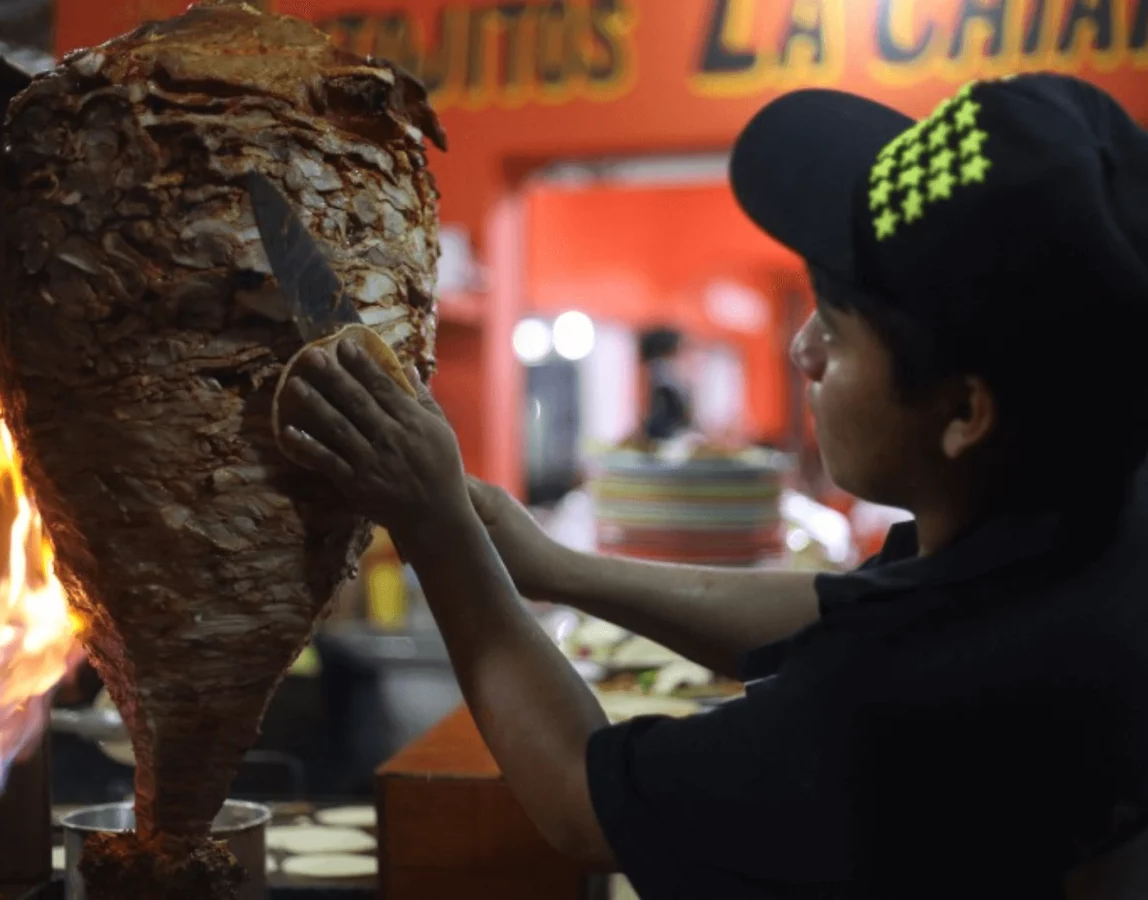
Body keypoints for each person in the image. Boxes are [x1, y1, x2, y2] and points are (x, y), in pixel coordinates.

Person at [273, 73, 1148, 899]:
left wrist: (438, 534)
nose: (802, 351)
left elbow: (582, 802)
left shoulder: (908, 705)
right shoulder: (1092, 528)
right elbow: (844, 606)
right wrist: (554, 570)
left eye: (837, 334)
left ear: (964, 409)